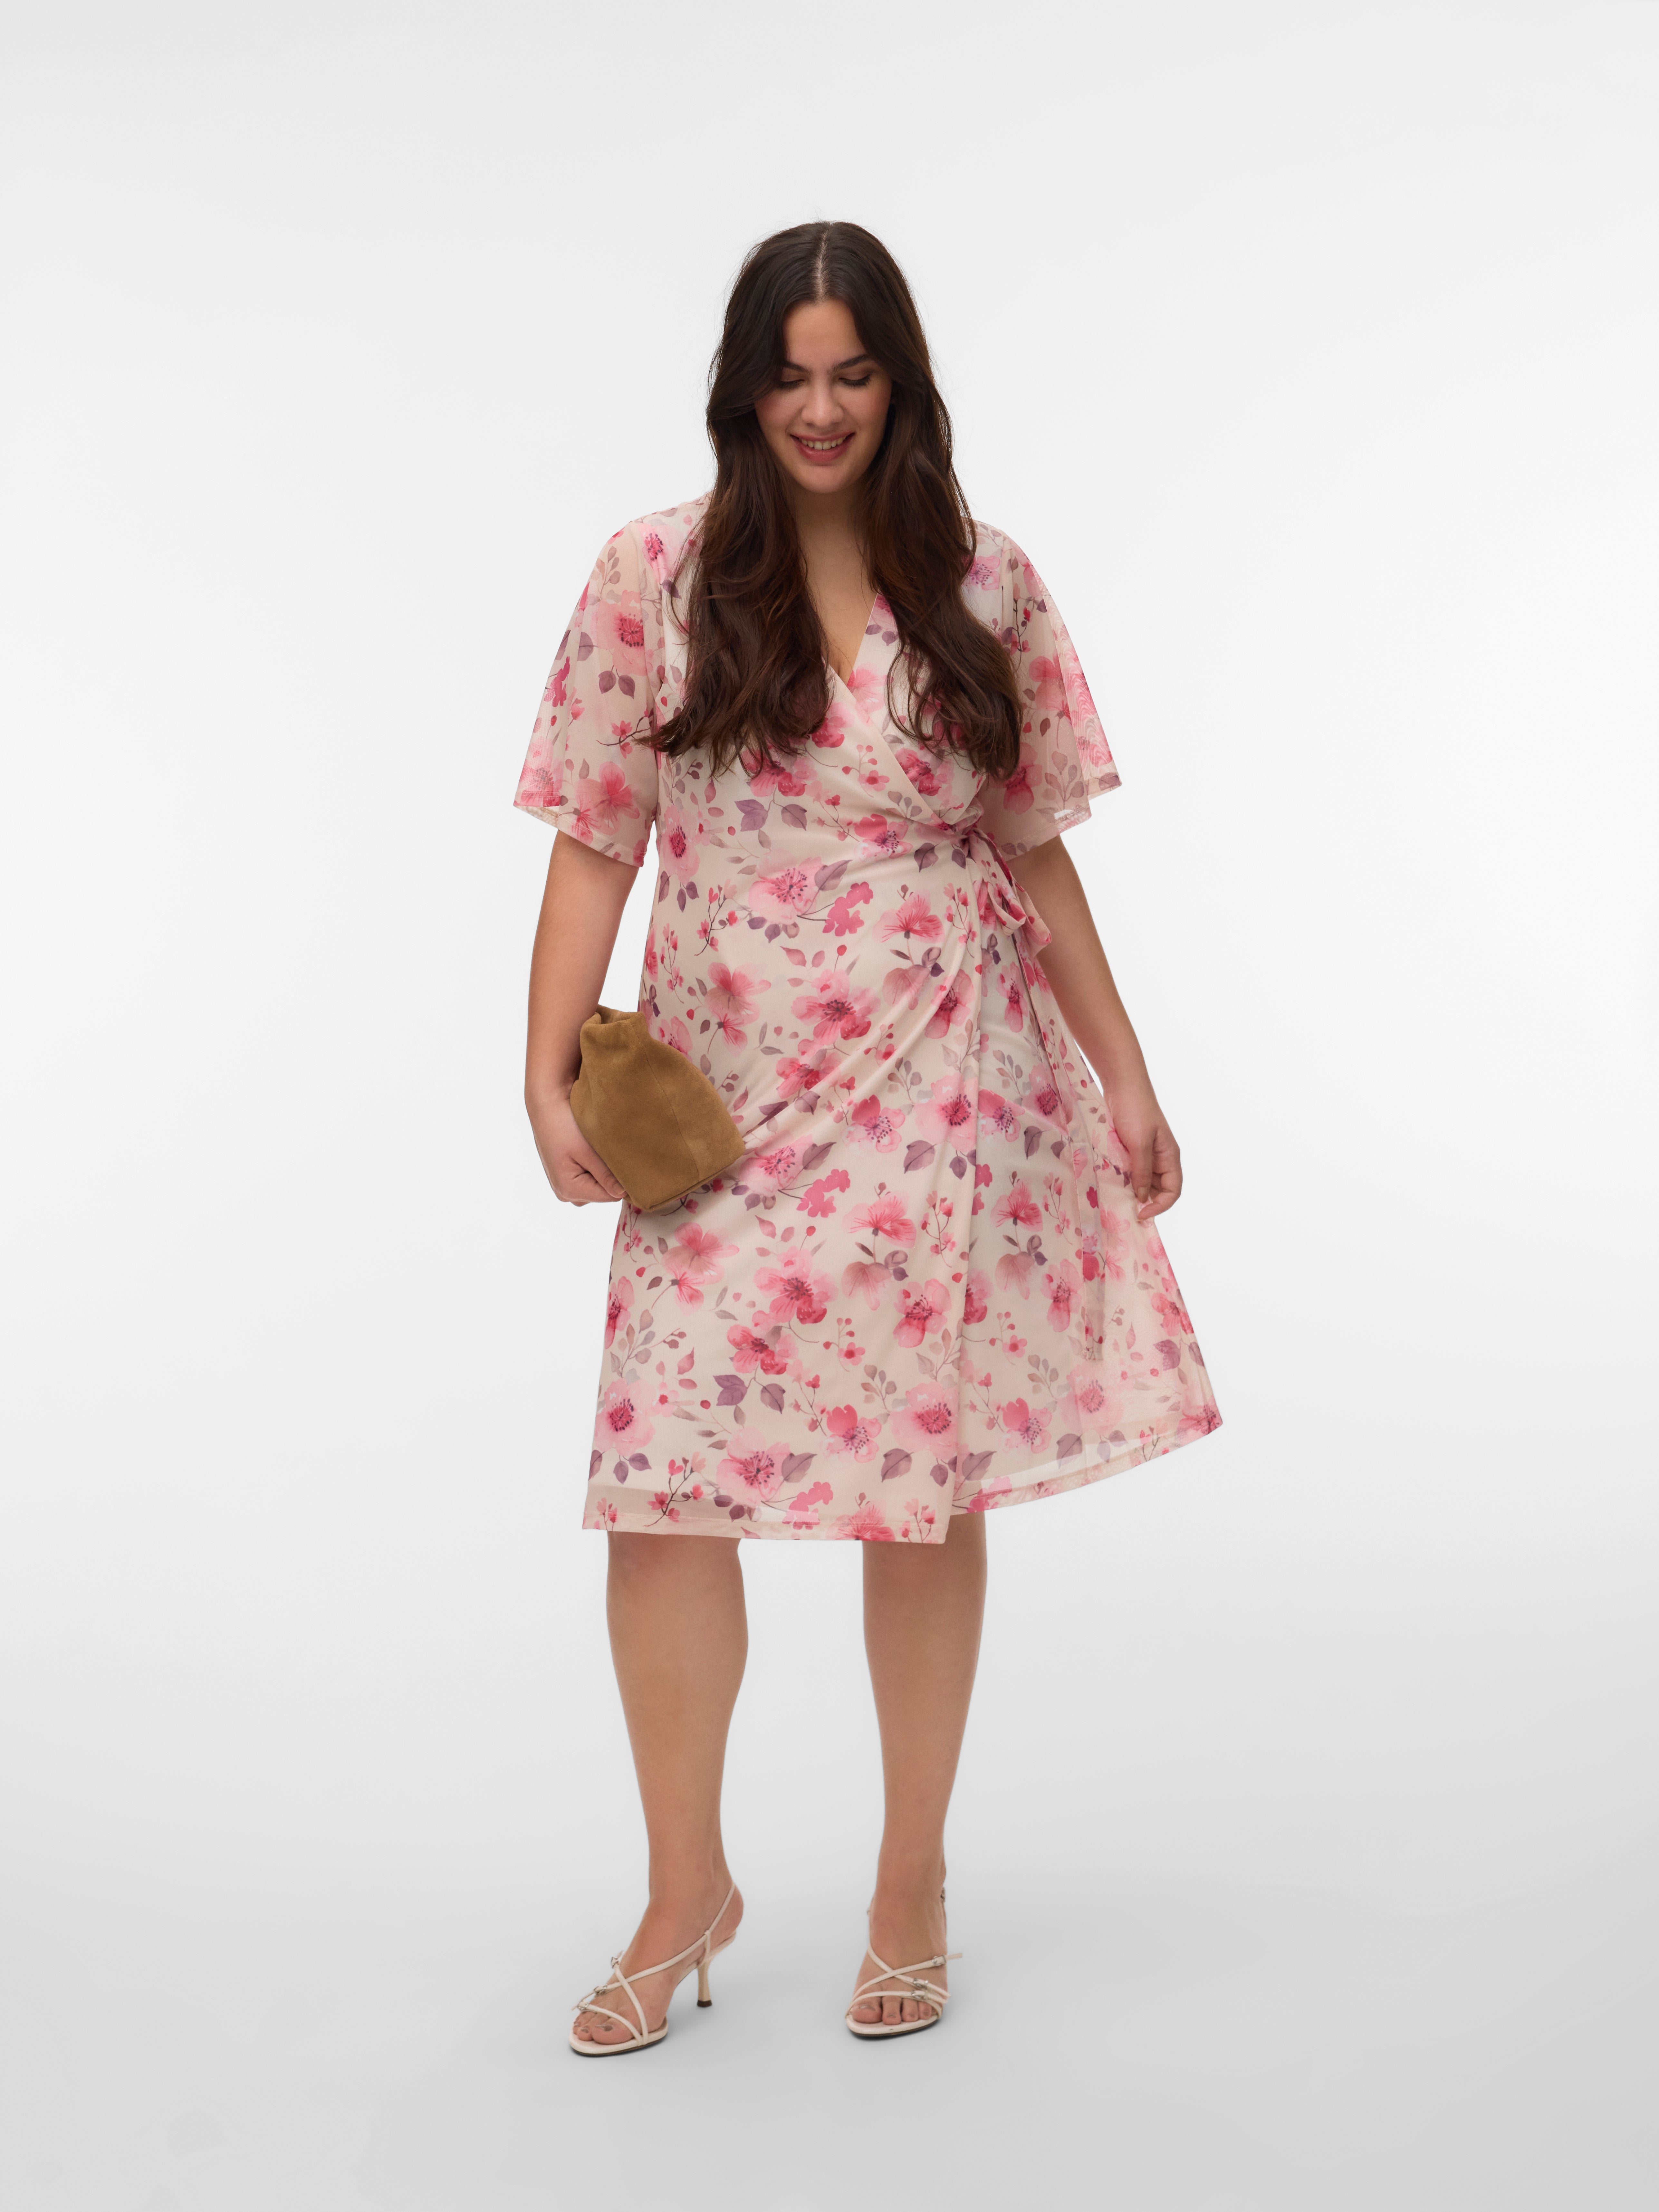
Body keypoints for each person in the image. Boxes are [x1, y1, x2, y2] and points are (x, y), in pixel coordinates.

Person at [517, 221, 1222, 2052]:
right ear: (742, 389)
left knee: (921, 1490)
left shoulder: (983, 580)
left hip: (941, 1085)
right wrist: (543, 1066)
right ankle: (686, 1889)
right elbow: (595, 836)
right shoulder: (655, 575)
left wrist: (1127, 1072)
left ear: (900, 381)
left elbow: (1032, 848)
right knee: (663, 1493)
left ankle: (911, 1881)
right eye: (790, 375)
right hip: (725, 1097)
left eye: (853, 373)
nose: (821, 409)